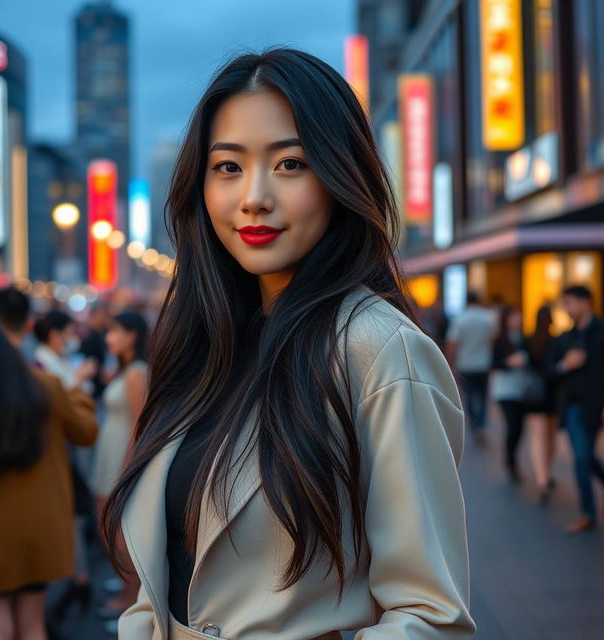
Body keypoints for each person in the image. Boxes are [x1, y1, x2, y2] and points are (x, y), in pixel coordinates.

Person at [101, 49, 475, 640]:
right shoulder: (205, 342)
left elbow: (431, 617)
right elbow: (165, 577)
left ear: (340, 176)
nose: (253, 196)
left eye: (291, 163)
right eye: (227, 167)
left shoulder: (378, 349)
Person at [0, 287, 97, 640]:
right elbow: (86, 433)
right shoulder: (46, 386)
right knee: (32, 626)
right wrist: (78, 391)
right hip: (37, 527)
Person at [33, 309, 98, 620]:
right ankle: (74, 582)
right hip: (64, 450)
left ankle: (77, 581)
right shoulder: (43, 367)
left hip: (69, 449)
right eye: (70, 332)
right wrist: (80, 382)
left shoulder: (53, 362)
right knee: (72, 511)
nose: (74, 339)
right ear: (55, 334)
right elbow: (72, 416)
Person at [91, 311, 148, 622]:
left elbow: (140, 423)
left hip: (120, 455)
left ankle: (132, 597)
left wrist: (129, 465)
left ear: (132, 336)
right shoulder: (127, 369)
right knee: (109, 523)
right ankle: (128, 588)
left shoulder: (138, 371)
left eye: (114, 331)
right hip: (110, 451)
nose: (108, 337)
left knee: (115, 527)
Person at [548, 285, 604, 533]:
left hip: (595, 404)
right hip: (571, 406)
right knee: (582, 458)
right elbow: (549, 369)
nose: (566, 309)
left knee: (585, 458)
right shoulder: (566, 337)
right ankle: (588, 513)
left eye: (569, 303)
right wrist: (564, 365)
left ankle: (588, 513)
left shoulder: (601, 332)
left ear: (585, 302)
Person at [446, 291, 496, 445]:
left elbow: (452, 344)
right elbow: (493, 340)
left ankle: (474, 427)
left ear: (466, 302)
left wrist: (450, 363)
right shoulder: (488, 318)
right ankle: (481, 425)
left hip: (465, 364)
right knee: (482, 397)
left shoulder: (460, 319)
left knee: (468, 398)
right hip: (484, 364)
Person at [524, 305, 559, 503]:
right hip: (552, 394)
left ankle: (541, 479)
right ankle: (547, 471)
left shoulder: (529, 340)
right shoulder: (556, 341)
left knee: (536, 437)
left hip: (534, 394)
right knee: (550, 435)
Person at [491, 306, 528, 483]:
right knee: (512, 425)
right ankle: (511, 461)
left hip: (522, 389)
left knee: (520, 428)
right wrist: (508, 362)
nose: (517, 321)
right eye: (514, 317)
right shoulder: (499, 340)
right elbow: (492, 363)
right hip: (505, 390)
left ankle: (511, 457)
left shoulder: (524, 339)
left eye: (519, 317)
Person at [80, 302, 112, 400]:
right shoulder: (87, 336)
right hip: (91, 388)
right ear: (93, 315)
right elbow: (85, 362)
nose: (104, 318)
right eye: (102, 314)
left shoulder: (101, 333)